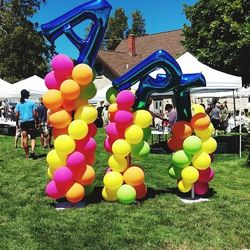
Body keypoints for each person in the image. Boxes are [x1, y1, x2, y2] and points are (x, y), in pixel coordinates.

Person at [15, 89, 37, 159]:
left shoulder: (19, 104)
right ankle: (32, 151)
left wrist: (17, 123)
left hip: (23, 122)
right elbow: (34, 114)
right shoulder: (32, 103)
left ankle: (27, 155)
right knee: (33, 137)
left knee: (25, 138)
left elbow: (17, 115)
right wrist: (37, 121)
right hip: (31, 121)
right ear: (27, 95)